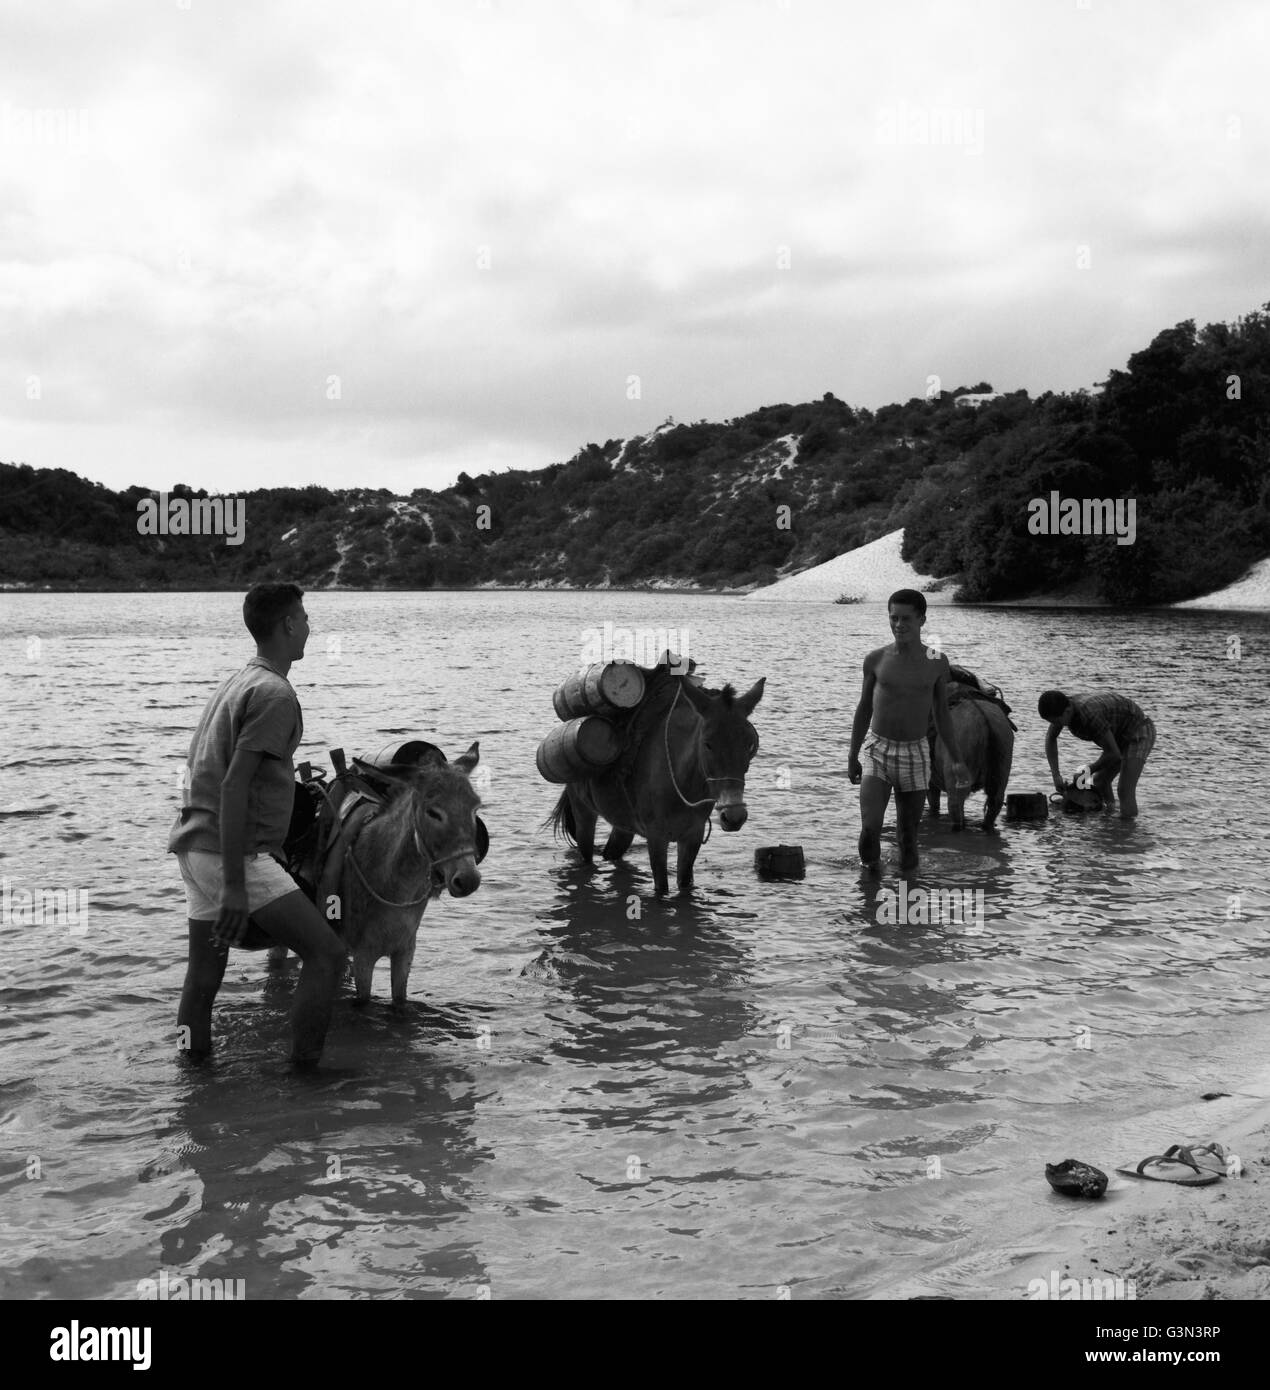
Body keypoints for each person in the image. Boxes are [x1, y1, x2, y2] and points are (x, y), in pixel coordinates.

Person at [169, 583, 345, 1066]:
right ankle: (306, 1078)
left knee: (203, 978)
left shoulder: (239, 681)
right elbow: (233, 786)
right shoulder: (274, 693)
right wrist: (233, 884)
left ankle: (193, 1079)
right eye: (304, 617)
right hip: (234, 852)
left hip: (194, 844)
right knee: (327, 954)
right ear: (288, 624)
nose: (309, 627)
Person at [848, 590, 970, 873]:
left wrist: (956, 759)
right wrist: (852, 754)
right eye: (893, 618)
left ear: (921, 620)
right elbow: (864, 708)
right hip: (877, 751)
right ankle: (869, 894)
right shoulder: (875, 659)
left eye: (906, 619)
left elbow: (941, 713)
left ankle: (909, 901)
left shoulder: (937, 661)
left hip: (916, 753)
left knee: (908, 837)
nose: (899, 625)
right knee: (870, 829)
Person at [1037, 690, 1155, 819]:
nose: (1056, 725)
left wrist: (1088, 771)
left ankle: (1128, 828)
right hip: (1118, 734)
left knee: (1125, 790)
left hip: (1138, 731)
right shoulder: (1062, 709)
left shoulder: (1089, 714)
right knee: (1100, 781)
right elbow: (1051, 738)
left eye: (1057, 722)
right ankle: (1111, 819)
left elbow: (1113, 753)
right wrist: (1056, 775)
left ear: (1067, 711)